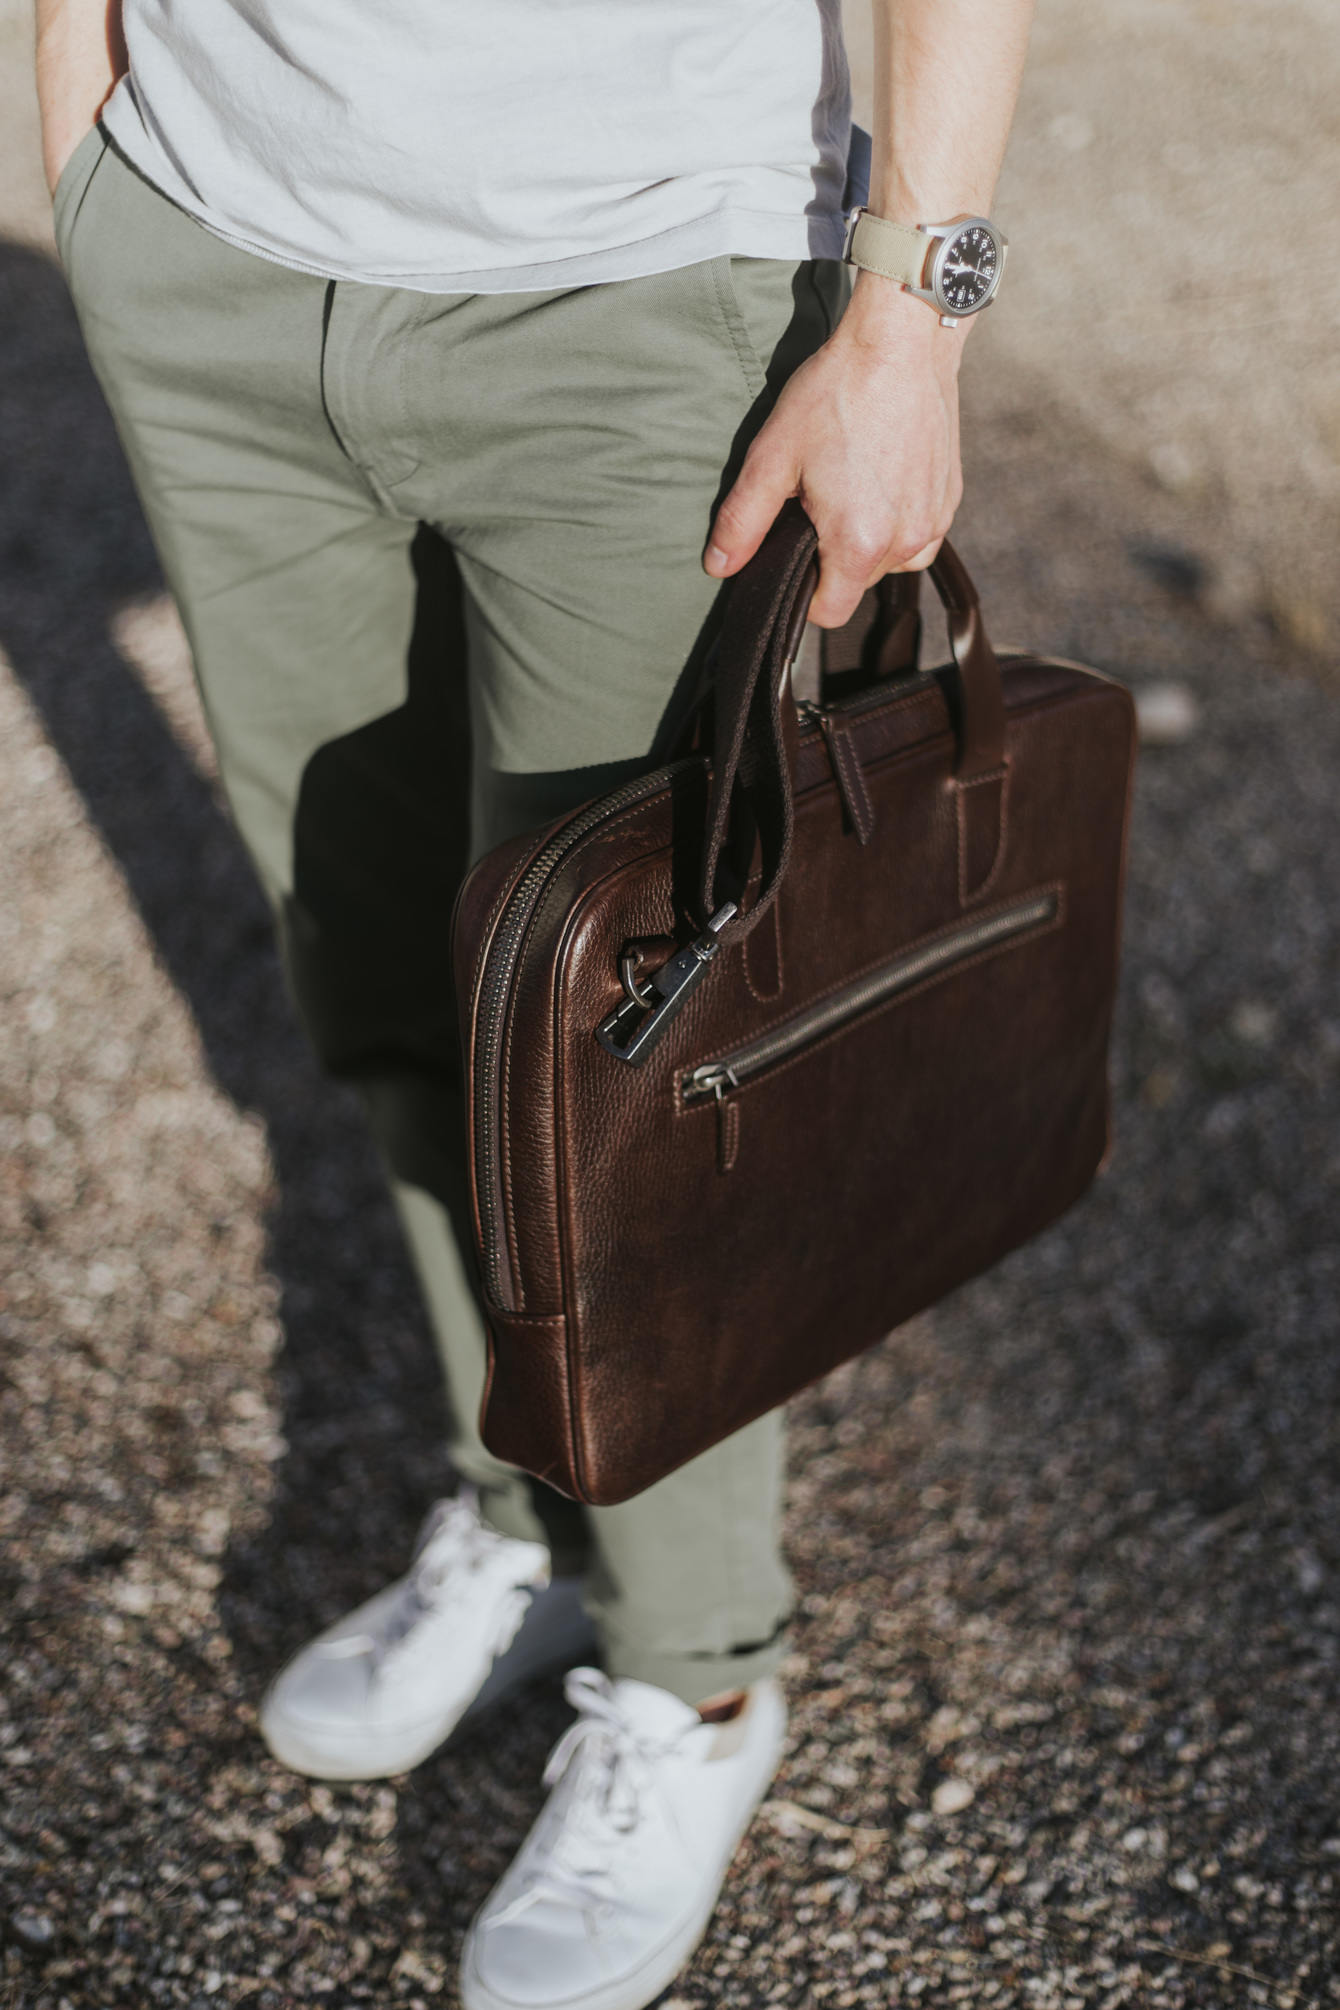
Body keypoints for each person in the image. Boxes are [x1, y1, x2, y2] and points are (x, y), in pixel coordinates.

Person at [35, 2, 1034, 2003]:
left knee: (628, 1069)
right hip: (215, 253)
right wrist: (91, 149)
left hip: (641, 294)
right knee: (393, 982)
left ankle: (694, 1675)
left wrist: (913, 316)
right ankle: (524, 1501)